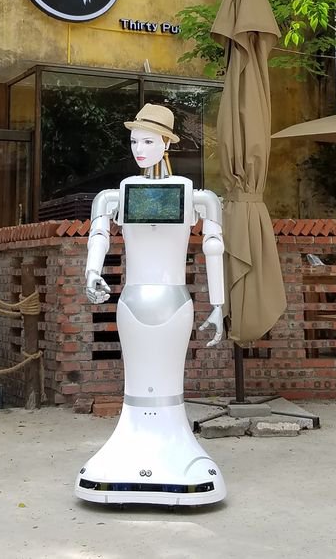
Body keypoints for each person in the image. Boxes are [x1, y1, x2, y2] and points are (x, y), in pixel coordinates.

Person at [75, 103, 228, 506]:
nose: (139, 149)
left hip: (175, 304)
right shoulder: (114, 195)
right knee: (138, 380)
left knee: (167, 381)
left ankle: (173, 446)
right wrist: (92, 272)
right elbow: (98, 235)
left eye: (148, 141)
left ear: (166, 143)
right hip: (131, 303)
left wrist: (218, 305)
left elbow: (214, 248)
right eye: (134, 142)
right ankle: (134, 445)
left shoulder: (196, 196)